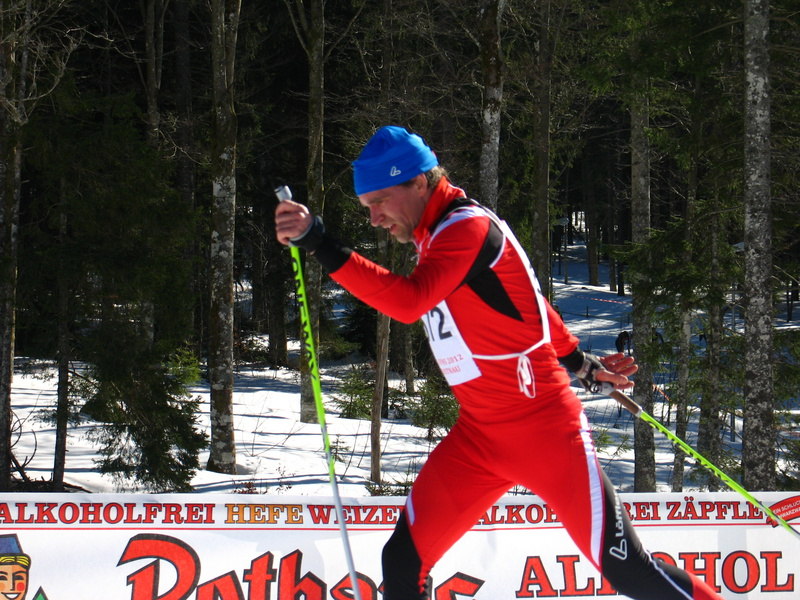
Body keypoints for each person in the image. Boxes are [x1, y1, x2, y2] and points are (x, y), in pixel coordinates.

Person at [275, 125, 723, 600]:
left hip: (545, 433)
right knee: (403, 561)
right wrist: (581, 363)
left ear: (419, 182)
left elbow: (409, 303)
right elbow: (529, 304)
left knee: (629, 571)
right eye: (367, 207)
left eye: (380, 201)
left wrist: (319, 241)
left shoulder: (465, 228)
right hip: (479, 438)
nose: (374, 219)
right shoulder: (436, 236)